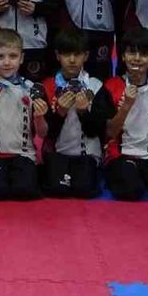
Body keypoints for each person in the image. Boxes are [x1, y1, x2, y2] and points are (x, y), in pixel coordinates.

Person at [92, 28, 148, 202]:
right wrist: (126, 106)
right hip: (121, 155)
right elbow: (109, 133)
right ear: (123, 56)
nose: (137, 58)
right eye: (131, 52)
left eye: (144, 54)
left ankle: (144, 174)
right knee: (130, 191)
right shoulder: (111, 86)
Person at [0, 29, 49, 201]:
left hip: (24, 154)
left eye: (13, 56)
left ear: (22, 58)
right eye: (0, 57)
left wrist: (39, 117)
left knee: (25, 192)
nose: (7, 62)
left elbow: (42, 134)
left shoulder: (32, 89)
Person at [41, 29, 105, 199]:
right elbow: (46, 134)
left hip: (87, 154)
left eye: (77, 54)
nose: (71, 60)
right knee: (57, 191)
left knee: (84, 191)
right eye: (66, 54)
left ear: (86, 56)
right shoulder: (47, 86)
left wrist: (83, 112)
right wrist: (60, 113)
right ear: (57, 55)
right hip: (58, 153)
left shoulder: (96, 86)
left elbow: (98, 131)